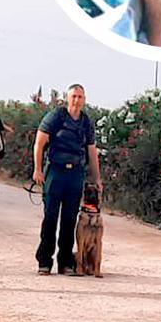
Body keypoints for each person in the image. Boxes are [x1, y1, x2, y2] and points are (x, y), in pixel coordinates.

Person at [32, 84, 102, 276]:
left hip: (75, 174)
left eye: (80, 97)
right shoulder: (56, 117)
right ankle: (45, 261)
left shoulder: (86, 122)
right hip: (55, 172)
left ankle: (66, 263)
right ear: (67, 97)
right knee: (51, 218)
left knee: (70, 220)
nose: (77, 100)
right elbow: (39, 143)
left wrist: (97, 178)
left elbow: (91, 151)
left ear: (84, 99)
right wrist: (38, 170)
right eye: (74, 96)